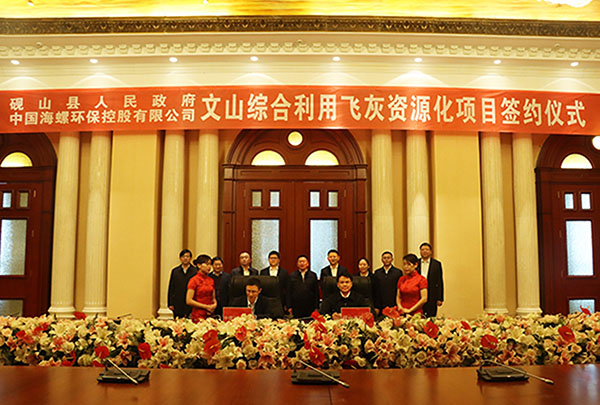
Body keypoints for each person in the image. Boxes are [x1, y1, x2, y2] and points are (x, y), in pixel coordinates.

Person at [167, 249, 198, 319]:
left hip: (191, 302)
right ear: (180, 258)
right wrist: (170, 303)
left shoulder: (195, 271)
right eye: (183, 256)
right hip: (178, 302)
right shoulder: (175, 271)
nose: (185, 258)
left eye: (187, 256)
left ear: (190, 258)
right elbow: (171, 287)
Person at [186, 254, 217, 322]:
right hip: (198, 314)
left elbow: (213, 298)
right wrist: (206, 307)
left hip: (210, 314)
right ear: (199, 265)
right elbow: (189, 300)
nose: (209, 267)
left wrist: (214, 305)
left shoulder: (211, 280)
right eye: (207, 264)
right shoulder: (194, 280)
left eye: (210, 264)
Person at [417, 242, 444, 318]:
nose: (424, 251)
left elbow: (439, 281)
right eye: (422, 249)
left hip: (432, 295)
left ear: (431, 251)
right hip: (418, 295)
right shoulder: (416, 263)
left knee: (431, 317)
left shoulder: (437, 264)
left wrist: (440, 298)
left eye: (427, 249)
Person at [372, 251, 402, 315]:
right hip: (381, 304)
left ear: (392, 259)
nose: (386, 260)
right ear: (381, 259)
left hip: (393, 303)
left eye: (388, 258)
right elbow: (375, 289)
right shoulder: (377, 272)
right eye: (384, 258)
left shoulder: (398, 272)